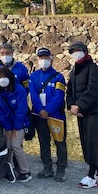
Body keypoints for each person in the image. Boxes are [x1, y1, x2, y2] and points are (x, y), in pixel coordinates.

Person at [66, 41, 98, 189]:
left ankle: (91, 176)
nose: (75, 53)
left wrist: (79, 105)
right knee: (88, 143)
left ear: (84, 51)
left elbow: (93, 91)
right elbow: (69, 90)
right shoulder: (74, 71)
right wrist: (71, 105)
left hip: (93, 112)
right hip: (81, 113)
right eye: (72, 51)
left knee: (92, 143)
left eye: (77, 50)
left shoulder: (94, 69)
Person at [29, 47, 67, 182]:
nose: (43, 60)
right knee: (43, 142)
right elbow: (33, 95)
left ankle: (61, 169)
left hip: (56, 115)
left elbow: (59, 97)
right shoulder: (33, 76)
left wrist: (48, 110)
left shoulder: (59, 77)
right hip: (39, 115)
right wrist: (40, 110)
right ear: (37, 60)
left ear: (51, 59)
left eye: (46, 58)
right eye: (41, 58)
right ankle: (47, 168)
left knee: (60, 142)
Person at [0, 66, 32, 182]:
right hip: (6, 124)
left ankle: (25, 171)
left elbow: (22, 109)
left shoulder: (19, 89)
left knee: (15, 145)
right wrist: (8, 127)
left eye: (4, 76)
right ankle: (7, 168)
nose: (2, 79)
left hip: (20, 123)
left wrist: (15, 127)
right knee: (6, 145)